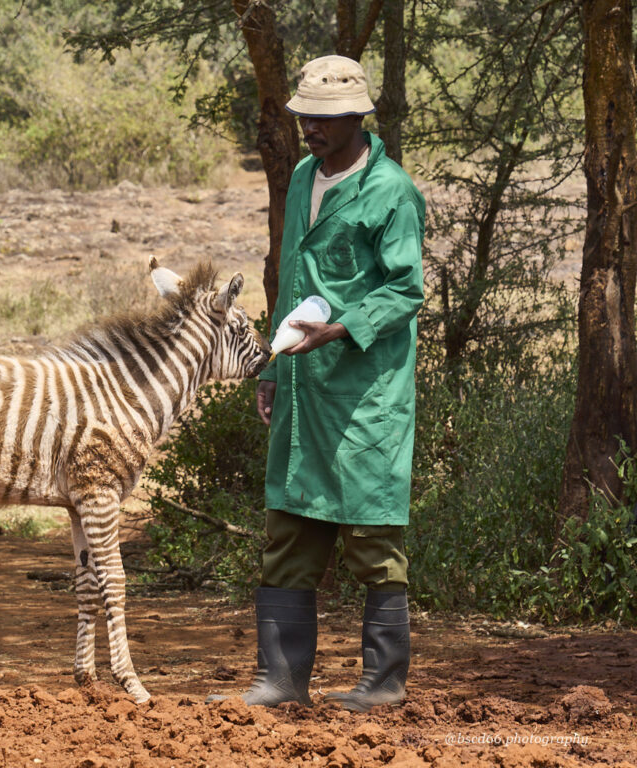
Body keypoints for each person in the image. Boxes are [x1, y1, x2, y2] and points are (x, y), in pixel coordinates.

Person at [209, 55, 425, 711]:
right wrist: (274, 366)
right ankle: (279, 680)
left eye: (326, 119)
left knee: (372, 535)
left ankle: (382, 684)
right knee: (289, 528)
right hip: (303, 385)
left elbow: (406, 289)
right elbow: (296, 283)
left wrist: (343, 327)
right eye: (306, 117)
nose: (312, 129)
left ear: (359, 117)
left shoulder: (391, 191)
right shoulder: (304, 176)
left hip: (365, 392)